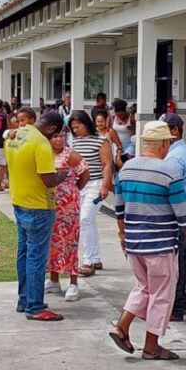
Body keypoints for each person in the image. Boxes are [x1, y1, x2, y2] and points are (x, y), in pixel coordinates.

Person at [110, 121, 186, 360]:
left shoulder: (126, 170)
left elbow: (119, 210)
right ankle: (151, 347)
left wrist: (123, 235)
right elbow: (184, 214)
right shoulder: (169, 172)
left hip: (134, 243)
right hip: (160, 244)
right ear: (165, 143)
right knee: (162, 293)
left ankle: (121, 326)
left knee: (143, 287)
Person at [4, 110, 70, 321]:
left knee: (24, 253)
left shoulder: (17, 135)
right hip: (39, 206)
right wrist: (63, 174)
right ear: (52, 128)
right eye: (56, 133)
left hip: (19, 201)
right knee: (36, 257)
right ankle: (35, 306)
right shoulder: (41, 143)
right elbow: (48, 180)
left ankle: (25, 299)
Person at [159, 112, 186, 322]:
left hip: (176, 215)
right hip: (178, 213)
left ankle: (178, 304)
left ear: (175, 131)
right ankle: (178, 301)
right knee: (177, 259)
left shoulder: (176, 157)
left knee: (178, 261)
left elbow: (169, 187)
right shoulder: (176, 152)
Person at [46, 126, 89, 301]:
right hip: (50, 204)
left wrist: (73, 190)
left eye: (61, 136)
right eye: (55, 136)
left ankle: (73, 282)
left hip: (68, 206)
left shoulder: (70, 154)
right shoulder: (45, 154)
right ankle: (54, 279)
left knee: (69, 242)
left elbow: (85, 173)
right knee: (53, 242)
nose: (58, 139)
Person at [69, 110, 112, 279]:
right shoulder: (75, 142)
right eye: (73, 127)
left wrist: (105, 186)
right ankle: (95, 258)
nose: (76, 129)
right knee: (89, 221)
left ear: (86, 124)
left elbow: (107, 165)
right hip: (80, 186)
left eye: (78, 126)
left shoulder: (101, 141)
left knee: (85, 219)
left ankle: (87, 261)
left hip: (95, 184)